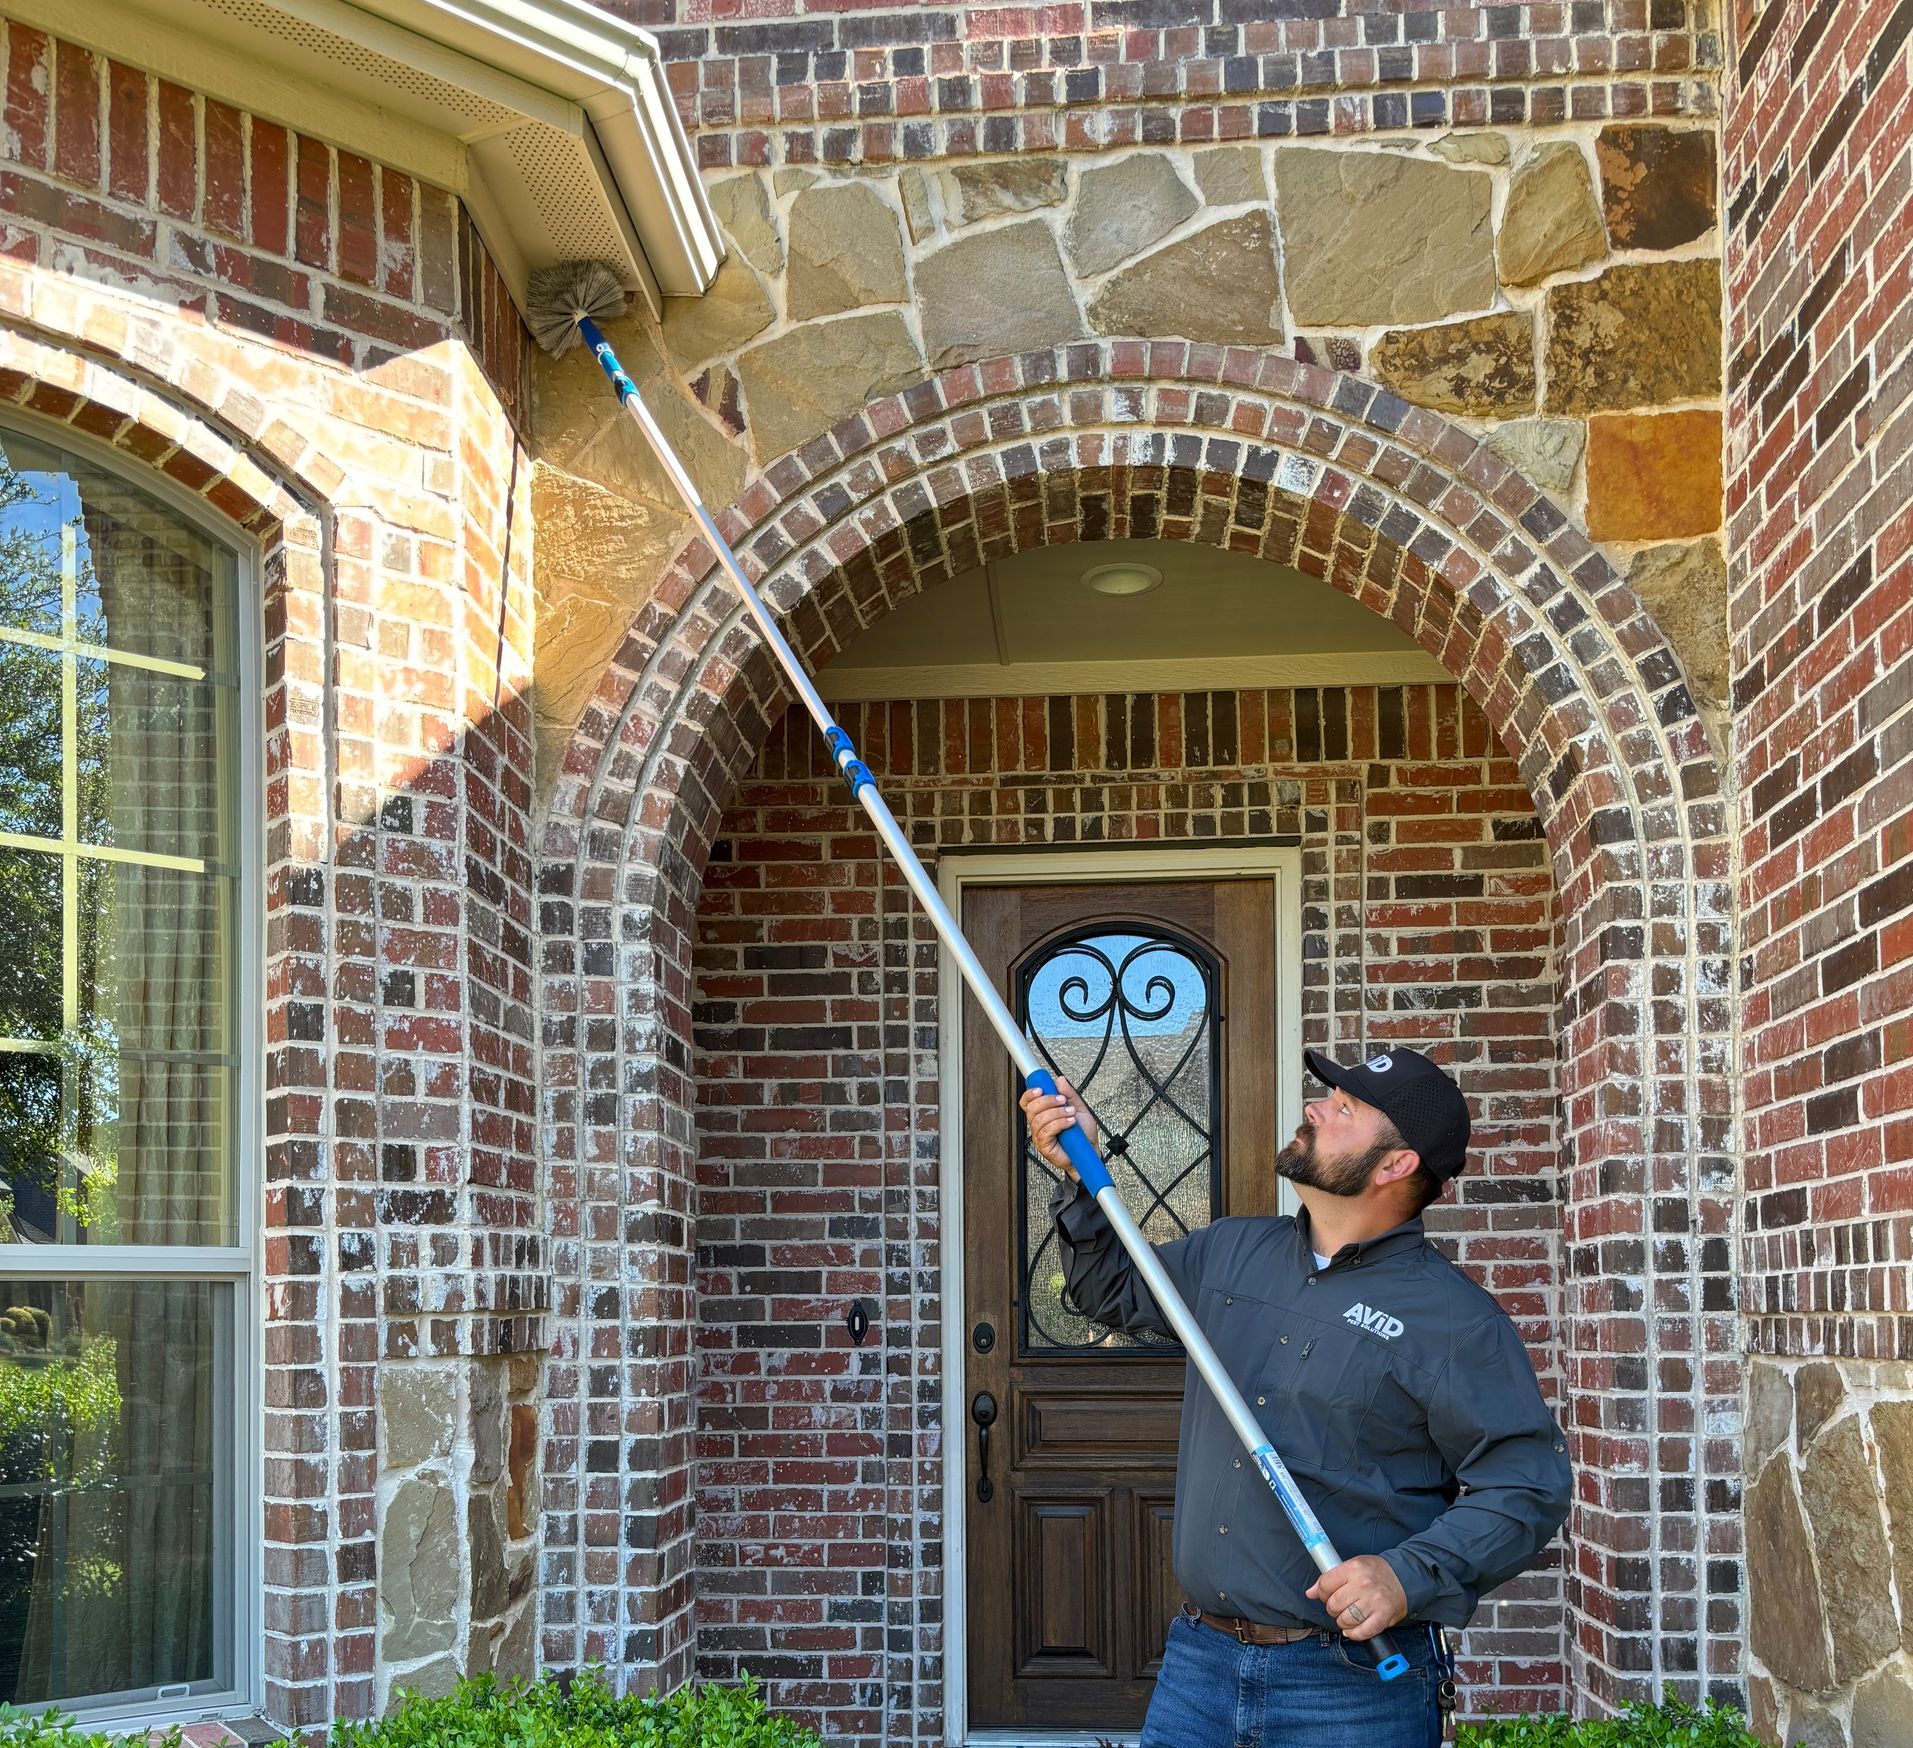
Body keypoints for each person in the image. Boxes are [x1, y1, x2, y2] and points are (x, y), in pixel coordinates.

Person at [1022, 1046, 1571, 1748]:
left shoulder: (1455, 1323)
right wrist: (1078, 1177)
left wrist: (1405, 1575)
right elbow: (1111, 1291)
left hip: (1348, 1690)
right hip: (1198, 1664)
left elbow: (1525, 1487)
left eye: (1344, 1109)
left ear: (1394, 1165)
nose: (1315, 1107)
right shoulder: (1230, 1252)